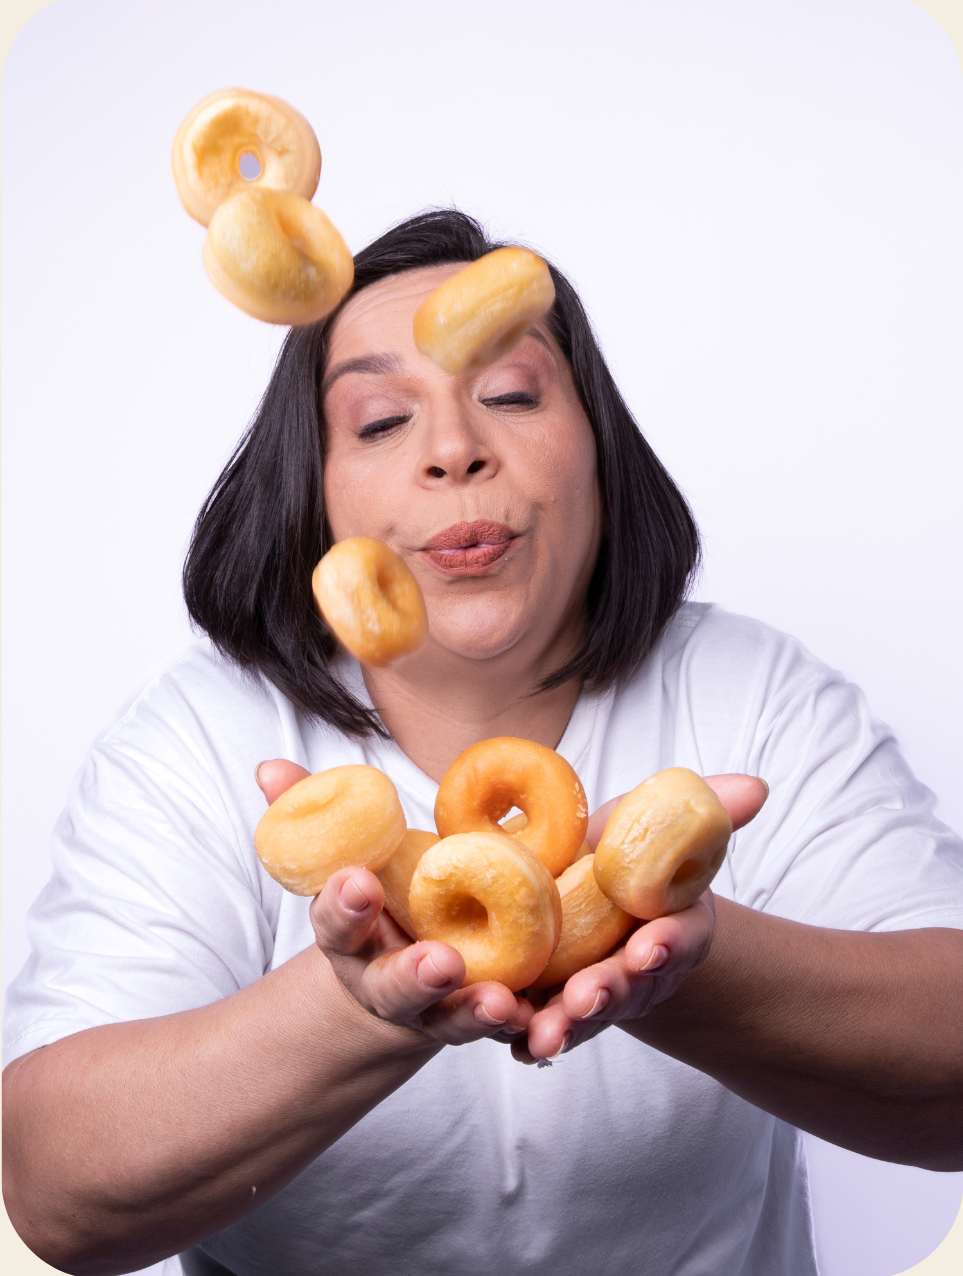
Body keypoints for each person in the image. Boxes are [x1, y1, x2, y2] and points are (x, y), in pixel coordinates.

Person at [3, 210, 962, 1276]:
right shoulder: (200, 735)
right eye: (378, 422)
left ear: (599, 445)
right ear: (312, 493)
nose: (455, 449)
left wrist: (682, 958)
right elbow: (54, 1195)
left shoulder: (751, 693)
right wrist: (360, 1002)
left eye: (508, 394)